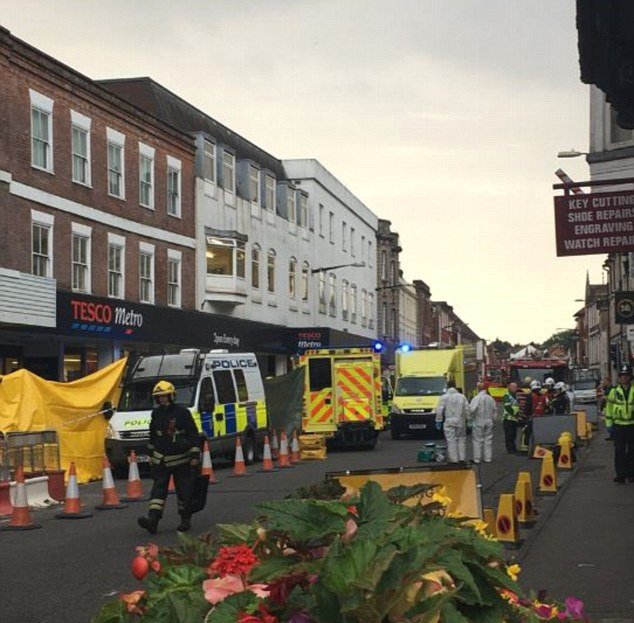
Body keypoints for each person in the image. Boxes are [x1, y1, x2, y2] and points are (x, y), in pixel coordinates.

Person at [137, 380, 201, 534]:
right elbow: (153, 435)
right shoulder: (156, 413)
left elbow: (193, 434)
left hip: (181, 460)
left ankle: (185, 520)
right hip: (162, 460)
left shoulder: (182, 412)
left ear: (171, 396)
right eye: (159, 397)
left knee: (184, 491)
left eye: (165, 396)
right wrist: (151, 454)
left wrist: (194, 454)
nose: (162, 399)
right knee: (158, 492)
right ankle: (153, 520)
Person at [605, 364, 634, 484]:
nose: (624, 378)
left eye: (627, 376)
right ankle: (620, 475)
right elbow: (609, 408)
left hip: (632, 425)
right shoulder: (614, 391)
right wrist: (609, 424)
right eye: (622, 376)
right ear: (619, 378)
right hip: (618, 426)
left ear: (630, 377)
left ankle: (631, 474)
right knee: (619, 451)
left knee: (632, 451)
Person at [435, 379, 470, 463]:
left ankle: (454, 460)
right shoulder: (462, 396)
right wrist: (469, 419)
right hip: (460, 420)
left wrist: (438, 420)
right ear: (455, 386)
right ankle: (462, 459)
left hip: (449, 420)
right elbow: (467, 409)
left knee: (451, 440)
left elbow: (439, 410)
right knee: (461, 439)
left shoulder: (444, 397)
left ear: (447, 386)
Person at [469, 383, 497, 463]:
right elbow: (495, 410)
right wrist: (493, 420)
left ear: (478, 389)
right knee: (488, 439)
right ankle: (488, 458)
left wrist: (470, 418)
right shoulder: (490, 399)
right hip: (489, 421)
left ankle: (477, 458)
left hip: (479, 420)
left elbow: (472, 409)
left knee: (477, 440)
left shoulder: (476, 398)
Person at [502, 382, 522, 454]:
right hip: (508, 418)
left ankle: (513, 448)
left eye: (516, 387)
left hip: (514, 419)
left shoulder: (515, 396)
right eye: (514, 387)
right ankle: (509, 449)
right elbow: (508, 407)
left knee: (514, 435)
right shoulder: (506, 396)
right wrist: (515, 414)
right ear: (509, 388)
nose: (515, 389)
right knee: (509, 435)